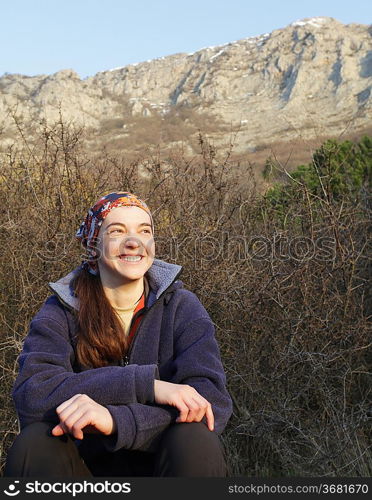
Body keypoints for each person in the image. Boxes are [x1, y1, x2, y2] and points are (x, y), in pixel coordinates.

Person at [4, 191, 233, 477]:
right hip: (85, 472)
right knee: (36, 442)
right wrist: (147, 386)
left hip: (163, 468)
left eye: (144, 231)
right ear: (93, 245)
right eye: (117, 231)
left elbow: (212, 405)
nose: (133, 241)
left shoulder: (182, 307)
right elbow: (33, 395)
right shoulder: (61, 309)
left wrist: (115, 420)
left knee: (195, 439)